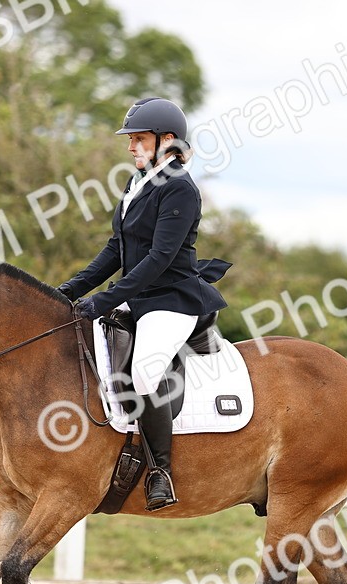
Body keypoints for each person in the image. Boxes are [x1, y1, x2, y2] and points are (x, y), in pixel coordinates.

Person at [59, 97, 226, 511]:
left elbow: (157, 261)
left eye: (138, 139)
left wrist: (105, 300)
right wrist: (69, 291)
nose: (130, 147)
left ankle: (160, 472)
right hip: (139, 297)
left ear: (167, 141)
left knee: (146, 371)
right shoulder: (137, 184)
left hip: (172, 300)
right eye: (130, 140)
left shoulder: (181, 190)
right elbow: (116, 249)